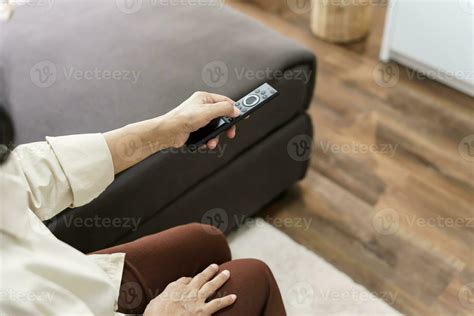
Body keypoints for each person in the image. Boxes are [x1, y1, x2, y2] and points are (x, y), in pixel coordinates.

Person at [0, 5, 286, 314]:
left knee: (206, 242)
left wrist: (164, 131)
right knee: (255, 279)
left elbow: (26, 176)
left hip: (63, 280)